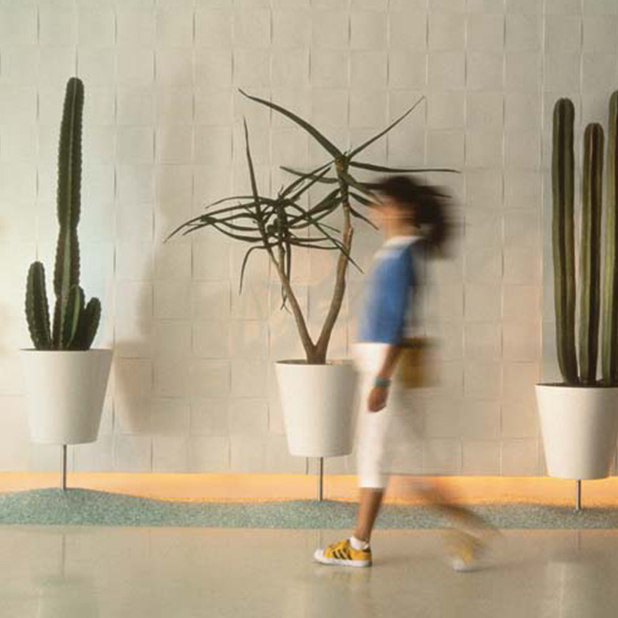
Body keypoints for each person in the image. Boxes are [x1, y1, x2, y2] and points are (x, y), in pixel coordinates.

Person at [313, 175, 494, 572]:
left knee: (383, 460)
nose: (375, 210)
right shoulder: (399, 252)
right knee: (401, 462)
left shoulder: (401, 256)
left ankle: (362, 544)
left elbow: (395, 322)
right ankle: (370, 541)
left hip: (385, 368)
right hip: (384, 365)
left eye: (382, 203)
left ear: (403, 209)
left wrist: (380, 380)